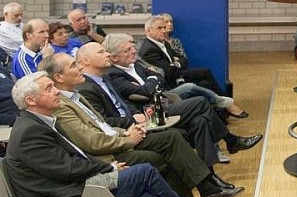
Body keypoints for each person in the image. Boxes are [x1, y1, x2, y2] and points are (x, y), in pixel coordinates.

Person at [5, 72, 208, 197]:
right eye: (49, 89)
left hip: (80, 188)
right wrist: (109, 167)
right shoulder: (29, 131)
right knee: (145, 171)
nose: (57, 91)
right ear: (31, 100)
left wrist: (107, 168)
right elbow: (67, 169)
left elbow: (78, 156)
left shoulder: (43, 121)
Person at [44, 50, 243, 197]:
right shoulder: (63, 104)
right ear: (59, 77)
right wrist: (127, 139)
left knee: (179, 132)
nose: (79, 68)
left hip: (122, 134)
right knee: (172, 140)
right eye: (73, 65)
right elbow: (91, 141)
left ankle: (203, 194)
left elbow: (102, 125)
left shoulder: (76, 94)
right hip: (109, 153)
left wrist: (128, 131)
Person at [103, 33, 262, 163]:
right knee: (199, 102)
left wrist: (152, 82)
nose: (133, 51)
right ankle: (231, 140)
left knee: (200, 120)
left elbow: (159, 76)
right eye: (127, 50)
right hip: (151, 112)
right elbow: (147, 89)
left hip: (163, 101)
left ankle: (210, 176)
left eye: (132, 48)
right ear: (114, 58)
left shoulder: (134, 64)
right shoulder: (114, 74)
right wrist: (152, 82)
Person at [138, 15, 249, 118]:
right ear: (148, 31)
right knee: (204, 73)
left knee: (204, 82)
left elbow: (183, 59)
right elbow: (170, 72)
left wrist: (175, 64)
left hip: (177, 75)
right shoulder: (149, 50)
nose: (164, 30)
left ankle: (221, 111)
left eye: (164, 27)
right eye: (159, 28)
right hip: (170, 84)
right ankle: (226, 106)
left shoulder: (163, 43)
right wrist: (176, 64)